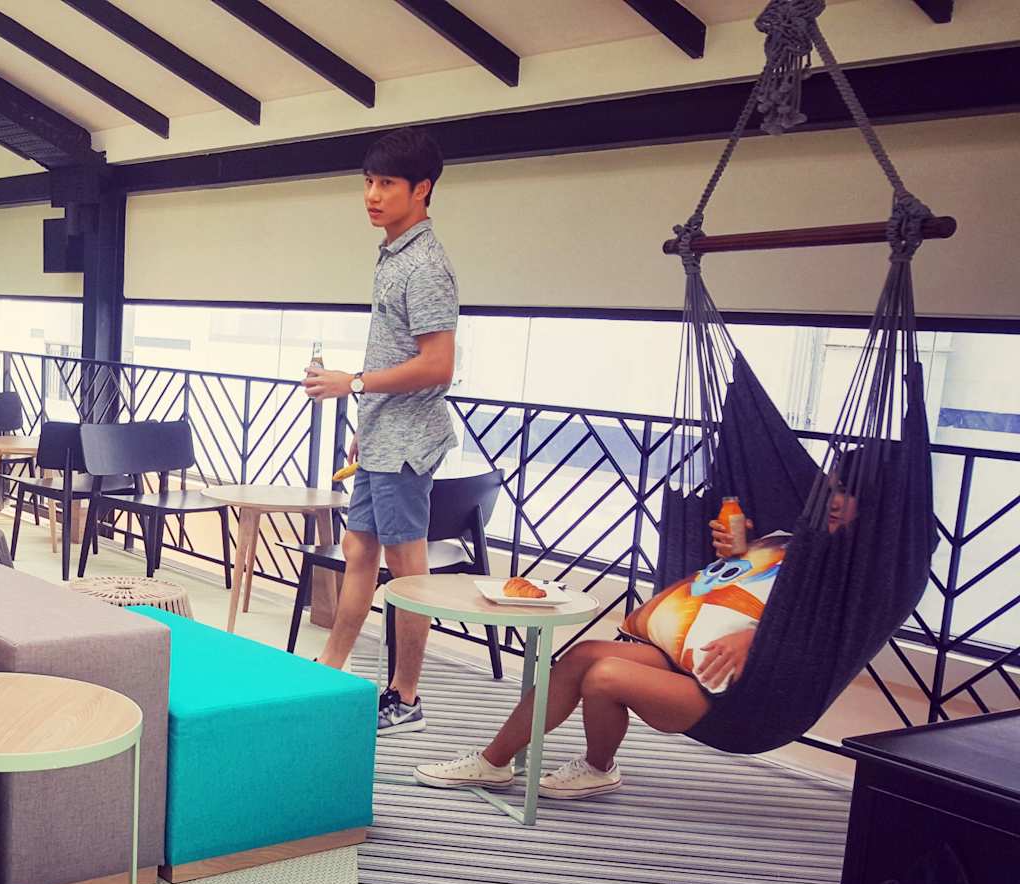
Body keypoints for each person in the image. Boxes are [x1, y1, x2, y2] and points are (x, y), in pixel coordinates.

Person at [413, 481, 858, 800]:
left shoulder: (849, 573)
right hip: (691, 658)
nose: (835, 501)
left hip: (741, 696)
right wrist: (734, 555)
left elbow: (818, 633)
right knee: (582, 656)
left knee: (606, 676)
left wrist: (755, 640)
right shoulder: (785, 541)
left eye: (850, 494)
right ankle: (493, 762)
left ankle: (599, 767)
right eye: (833, 488)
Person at [304, 127, 458, 736]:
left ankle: (406, 695)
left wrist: (355, 385)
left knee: (408, 569)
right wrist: (367, 424)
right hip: (382, 439)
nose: (372, 194)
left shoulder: (425, 265)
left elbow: (439, 365)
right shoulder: (394, 254)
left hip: (407, 445)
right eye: (368, 182)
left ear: (422, 189)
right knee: (359, 552)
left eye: (387, 183)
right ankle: (332, 668)